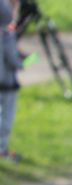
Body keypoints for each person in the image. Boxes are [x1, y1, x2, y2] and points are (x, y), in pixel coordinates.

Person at [0, 0, 21, 162]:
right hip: (5, 82)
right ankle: (1, 146)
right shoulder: (7, 33)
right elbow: (13, 60)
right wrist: (21, 64)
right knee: (7, 114)